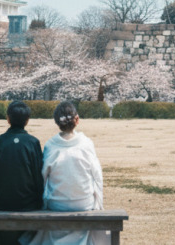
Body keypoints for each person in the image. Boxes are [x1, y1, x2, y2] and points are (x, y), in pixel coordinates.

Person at [23, 101, 107, 245]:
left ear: (57, 122)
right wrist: (98, 203)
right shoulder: (86, 143)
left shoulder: (51, 145)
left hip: (57, 203)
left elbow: (43, 177)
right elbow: (97, 176)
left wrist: (42, 201)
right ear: (77, 119)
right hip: (83, 202)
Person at [0, 100, 44, 245]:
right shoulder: (33, 142)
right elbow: (38, 177)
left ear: (8, 119)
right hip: (27, 203)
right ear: (27, 120)